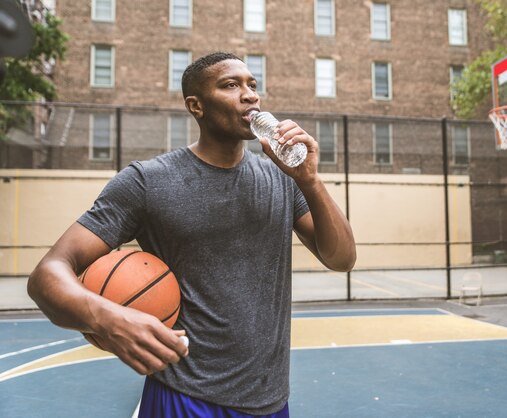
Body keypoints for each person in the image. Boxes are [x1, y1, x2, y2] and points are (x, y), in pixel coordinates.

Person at [27, 51, 356, 417]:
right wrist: (109, 317)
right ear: (196, 106)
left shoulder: (283, 179)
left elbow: (341, 258)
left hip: (271, 399)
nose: (250, 95)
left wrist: (310, 180)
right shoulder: (148, 181)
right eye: (231, 85)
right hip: (185, 396)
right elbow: (47, 275)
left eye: (252, 85)